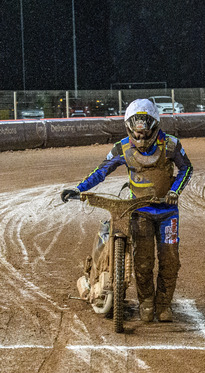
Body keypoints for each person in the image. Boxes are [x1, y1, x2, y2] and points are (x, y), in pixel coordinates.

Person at [60, 98, 193, 322]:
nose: (140, 138)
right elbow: (101, 171)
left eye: (144, 133)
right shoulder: (122, 147)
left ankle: (163, 304)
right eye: (136, 134)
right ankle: (147, 303)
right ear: (129, 128)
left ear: (154, 126)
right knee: (142, 260)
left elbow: (186, 168)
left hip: (167, 212)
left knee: (169, 260)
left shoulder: (171, 145)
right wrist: (79, 189)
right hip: (138, 211)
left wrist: (174, 191)